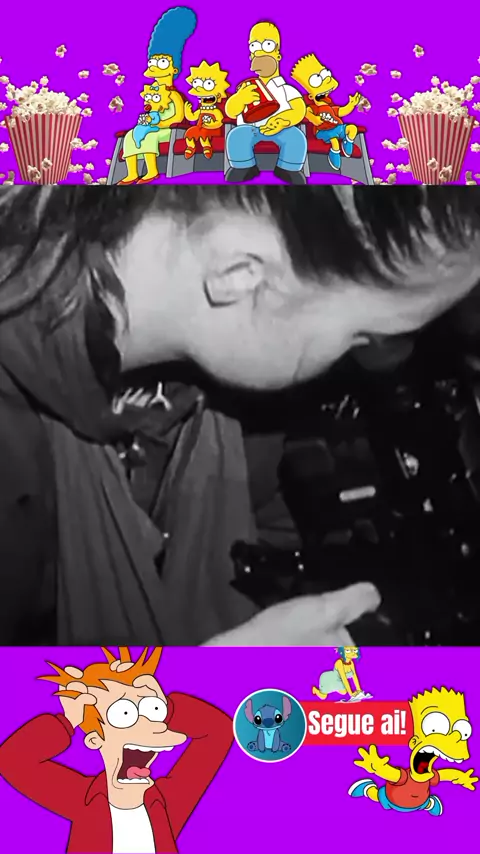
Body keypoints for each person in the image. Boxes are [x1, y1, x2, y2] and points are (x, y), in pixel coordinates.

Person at [1, 184, 480, 647]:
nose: (379, 359)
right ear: (239, 274)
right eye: (365, 336)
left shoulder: (210, 407)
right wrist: (210, 685)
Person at [225, 21, 307, 184]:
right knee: (236, 136)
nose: (260, 52)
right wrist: (240, 99)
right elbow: (230, 111)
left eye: (267, 45)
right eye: (255, 46)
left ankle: (288, 168)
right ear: (251, 56)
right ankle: (243, 167)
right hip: (250, 129)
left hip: (281, 128)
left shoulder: (286, 89)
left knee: (297, 137)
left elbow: (299, 109)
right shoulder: (246, 88)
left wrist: (283, 121)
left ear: (278, 54)